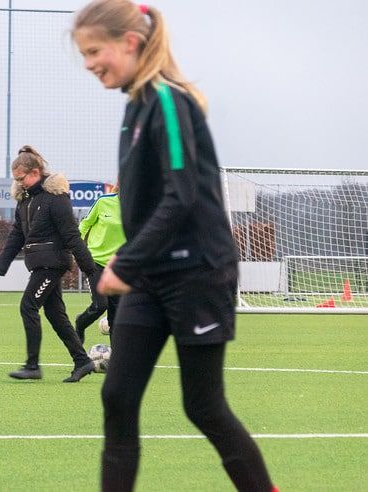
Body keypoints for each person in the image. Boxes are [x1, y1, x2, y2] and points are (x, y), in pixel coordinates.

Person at [72, 2, 278, 491]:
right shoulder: (134, 105)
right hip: (151, 277)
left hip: (198, 274)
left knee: (203, 405)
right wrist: (133, 256)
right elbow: (149, 201)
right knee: (118, 396)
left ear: (130, 43)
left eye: (94, 51)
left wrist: (130, 260)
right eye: (83, 54)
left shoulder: (167, 99)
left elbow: (182, 191)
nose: (88, 63)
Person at [0, 146, 98, 383]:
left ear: (35, 172)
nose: (19, 183)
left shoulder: (56, 198)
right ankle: (82, 361)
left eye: (22, 178)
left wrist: (89, 268)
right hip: (39, 263)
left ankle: (32, 365)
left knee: (28, 306)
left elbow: (72, 235)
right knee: (56, 314)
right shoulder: (26, 200)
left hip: (52, 263)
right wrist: (3, 262)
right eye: (16, 180)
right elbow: (17, 234)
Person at [75, 184, 126, 344]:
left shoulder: (139, 208)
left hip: (118, 267)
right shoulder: (103, 201)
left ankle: (115, 358)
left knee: (116, 314)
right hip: (95, 261)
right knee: (100, 305)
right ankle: (80, 323)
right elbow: (85, 223)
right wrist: (77, 246)